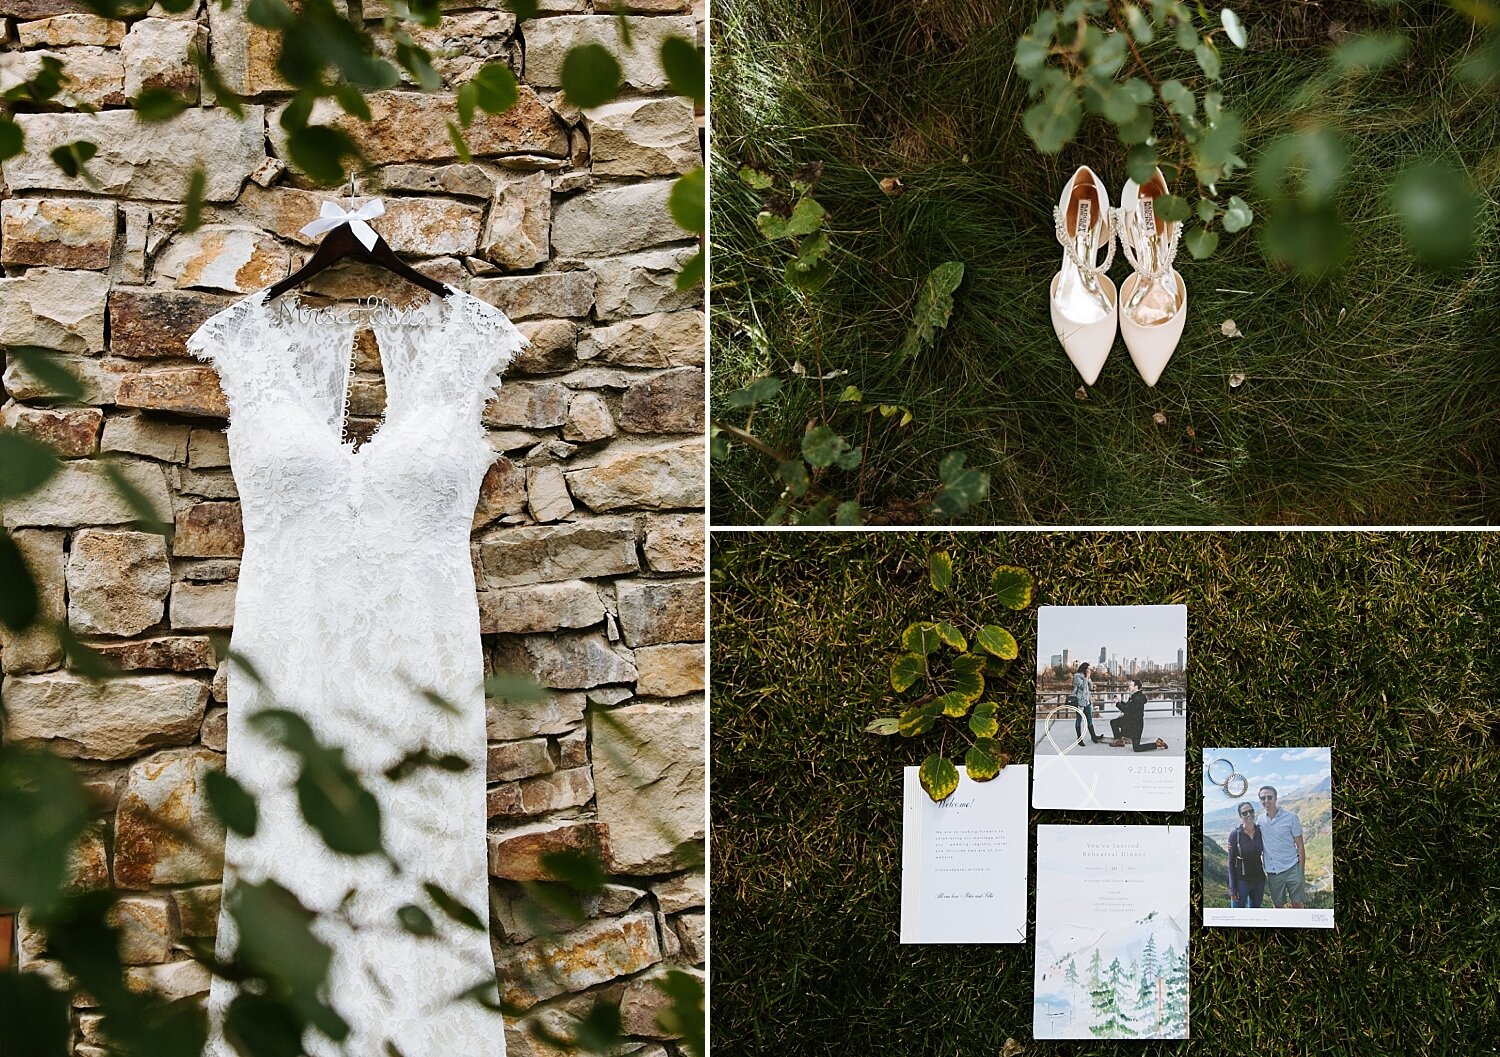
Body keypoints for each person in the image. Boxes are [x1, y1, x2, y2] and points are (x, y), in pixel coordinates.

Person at [1257, 786, 1307, 909]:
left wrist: (1301, 871)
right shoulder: (1260, 820)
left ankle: (1301, 927)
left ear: (1276, 798)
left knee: (1297, 904)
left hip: (1292, 868)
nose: (1266, 800)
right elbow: (1249, 834)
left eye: (1269, 797)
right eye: (1263, 798)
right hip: (1273, 872)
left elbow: (1300, 845)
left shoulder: (1291, 818)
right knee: (1278, 906)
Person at [1107, 679, 1168, 751]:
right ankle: (1119, 741)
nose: (1129, 686)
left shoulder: (1137, 698)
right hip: (1129, 721)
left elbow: (1127, 710)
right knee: (1114, 722)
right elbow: (1128, 707)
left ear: (1136, 686)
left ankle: (1157, 744)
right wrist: (1120, 701)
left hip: (1136, 725)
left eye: (1130, 685)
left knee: (1136, 748)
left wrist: (1117, 703)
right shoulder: (1136, 696)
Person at [1227, 803, 1266, 908]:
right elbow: (1230, 863)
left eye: (1251, 811)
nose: (1249, 814)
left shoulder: (1260, 831)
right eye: (1245, 813)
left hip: (1259, 880)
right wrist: (1233, 888)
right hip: (1241, 882)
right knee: (1237, 916)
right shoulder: (1235, 834)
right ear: (1240, 816)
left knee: (1255, 916)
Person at [1070, 663, 1103, 746]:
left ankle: (1093, 736)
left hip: (1087, 701)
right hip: (1080, 702)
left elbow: (1091, 688)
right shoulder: (1077, 676)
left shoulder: (1086, 676)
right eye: (1088, 668)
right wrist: (1086, 677)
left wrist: (1089, 679)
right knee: (1079, 720)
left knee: (1089, 718)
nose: (1090, 670)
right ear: (1084, 668)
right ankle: (1079, 739)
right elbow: (1082, 686)